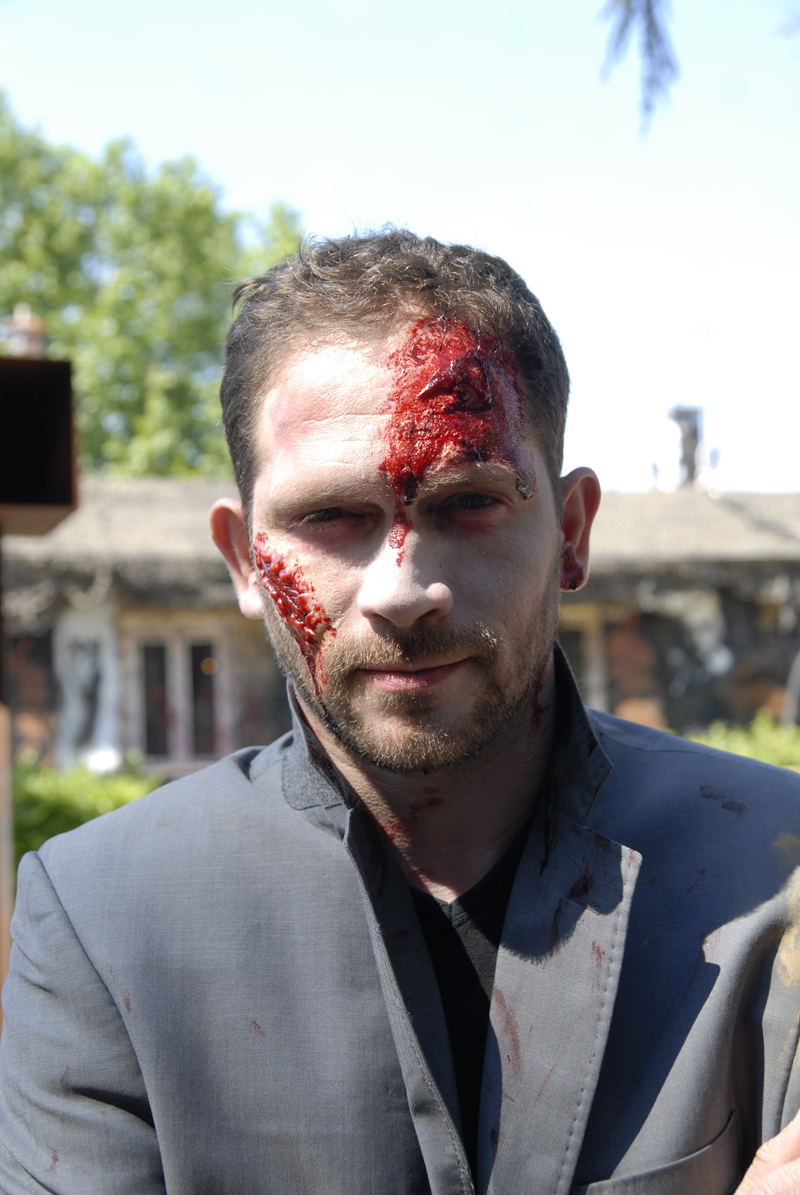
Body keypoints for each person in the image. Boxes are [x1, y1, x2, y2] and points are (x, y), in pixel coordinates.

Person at [1, 231, 799, 1195]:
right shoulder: (102, 918)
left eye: (469, 502)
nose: (405, 588)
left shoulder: (780, 875)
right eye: (331, 516)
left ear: (574, 531)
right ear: (246, 561)